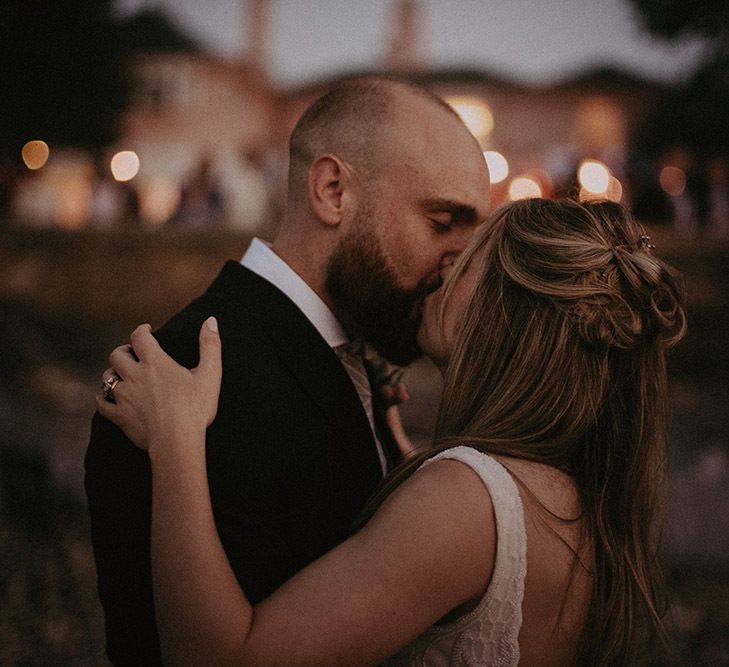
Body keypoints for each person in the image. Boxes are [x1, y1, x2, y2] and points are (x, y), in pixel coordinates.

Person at [97, 198, 686, 665]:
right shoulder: (576, 493)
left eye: (470, 258)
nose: (445, 265)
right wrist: (389, 428)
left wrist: (176, 438)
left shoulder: (465, 501)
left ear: (502, 313)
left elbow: (224, 660)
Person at [84, 76, 491, 665]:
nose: (459, 262)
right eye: (441, 221)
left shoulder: (353, 353)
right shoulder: (182, 378)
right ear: (332, 190)